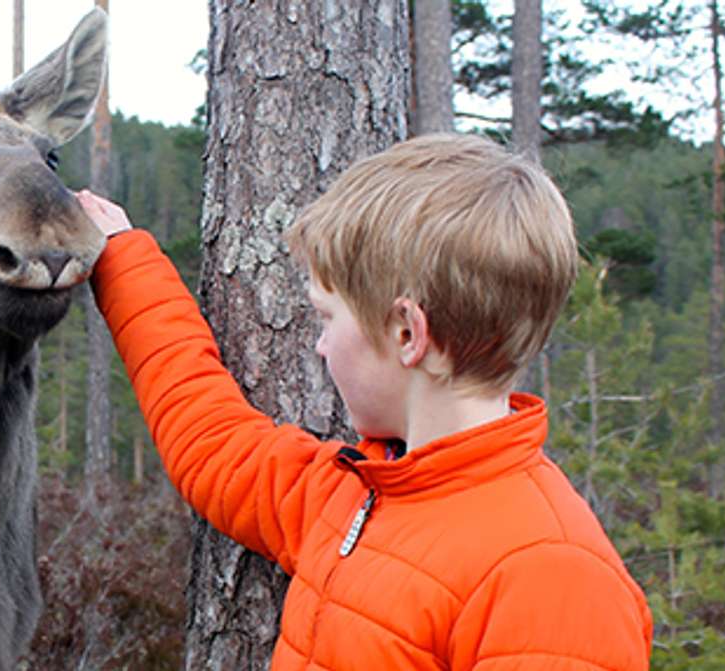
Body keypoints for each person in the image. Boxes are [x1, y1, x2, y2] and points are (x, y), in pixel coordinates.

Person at [77, 133, 652, 670]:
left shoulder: (551, 577)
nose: (322, 346)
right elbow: (214, 444)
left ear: (407, 333)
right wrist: (125, 262)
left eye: (328, 317)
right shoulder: (356, 495)